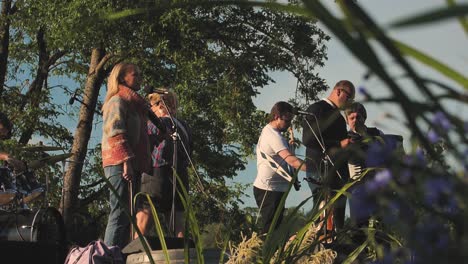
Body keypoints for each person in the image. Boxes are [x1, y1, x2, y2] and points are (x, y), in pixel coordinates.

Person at [101, 62, 151, 249]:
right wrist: (126, 162)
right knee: (119, 213)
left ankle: (119, 256)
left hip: (132, 164)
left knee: (128, 214)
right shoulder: (117, 101)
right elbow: (115, 132)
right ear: (122, 78)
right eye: (134, 75)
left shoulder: (135, 106)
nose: (139, 78)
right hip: (119, 164)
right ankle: (108, 257)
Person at [134, 88, 192, 239]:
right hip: (180, 176)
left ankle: (134, 256)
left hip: (157, 173)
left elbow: (145, 143)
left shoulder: (158, 123)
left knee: (144, 217)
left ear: (160, 105)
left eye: (151, 107)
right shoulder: (184, 126)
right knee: (177, 223)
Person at [301, 80, 355, 231]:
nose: (349, 102)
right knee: (324, 216)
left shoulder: (337, 115)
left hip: (336, 173)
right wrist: (339, 144)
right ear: (338, 91)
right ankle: (321, 247)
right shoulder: (317, 109)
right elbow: (308, 139)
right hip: (320, 170)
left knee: (337, 217)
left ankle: (335, 245)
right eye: (349, 97)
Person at [253, 101, 310, 234]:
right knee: (270, 231)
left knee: (275, 229)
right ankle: (262, 254)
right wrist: (314, 168)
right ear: (277, 116)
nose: (289, 124)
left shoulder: (274, 133)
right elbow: (292, 161)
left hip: (276, 189)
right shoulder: (272, 135)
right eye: (287, 120)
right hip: (268, 189)